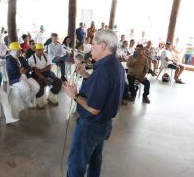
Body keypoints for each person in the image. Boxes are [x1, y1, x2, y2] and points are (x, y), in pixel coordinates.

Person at [63, 30, 125, 177]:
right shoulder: (116, 65)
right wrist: (85, 74)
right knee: (95, 160)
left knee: (76, 163)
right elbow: (101, 88)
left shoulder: (103, 70)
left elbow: (94, 108)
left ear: (103, 45)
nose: (91, 47)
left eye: (93, 44)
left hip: (90, 125)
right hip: (103, 125)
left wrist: (75, 95)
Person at [6, 42, 40, 109]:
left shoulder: (21, 58)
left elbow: (28, 67)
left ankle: (27, 100)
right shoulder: (9, 59)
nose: (20, 51)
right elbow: (13, 71)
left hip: (25, 76)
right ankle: (20, 101)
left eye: (19, 50)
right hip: (15, 79)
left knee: (36, 87)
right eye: (18, 50)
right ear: (13, 51)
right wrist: (20, 71)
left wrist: (25, 70)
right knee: (26, 88)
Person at [28, 43, 62, 108]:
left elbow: (49, 66)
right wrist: (45, 79)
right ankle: (40, 101)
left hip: (47, 73)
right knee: (40, 84)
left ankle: (52, 97)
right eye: (39, 50)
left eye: (42, 50)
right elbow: (36, 72)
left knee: (58, 81)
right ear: (35, 50)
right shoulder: (31, 59)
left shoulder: (46, 55)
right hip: (36, 75)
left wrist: (41, 70)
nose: (41, 51)